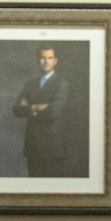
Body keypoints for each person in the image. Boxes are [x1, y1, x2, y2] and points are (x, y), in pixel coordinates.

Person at [13, 44, 72, 176]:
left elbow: (53, 112)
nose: (46, 61)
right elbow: (16, 110)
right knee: (33, 190)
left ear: (55, 61)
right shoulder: (30, 84)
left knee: (52, 190)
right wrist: (35, 107)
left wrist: (28, 107)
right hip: (32, 145)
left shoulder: (62, 84)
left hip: (52, 147)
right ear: (38, 60)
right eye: (42, 57)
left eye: (50, 58)